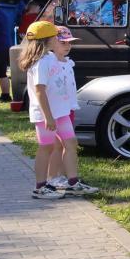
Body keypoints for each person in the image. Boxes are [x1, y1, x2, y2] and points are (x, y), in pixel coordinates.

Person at [18, 21, 98, 199]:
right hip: (46, 115)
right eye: (56, 36)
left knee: (71, 143)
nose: (58, 39)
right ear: (48, 39)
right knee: (46, 147)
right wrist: (48, 117)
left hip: (61, 112)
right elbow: (39, 91)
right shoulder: (41, 63)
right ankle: (40, 187)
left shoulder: (51, 58)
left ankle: (72, 183)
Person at [46, 26, 80, 190]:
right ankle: (53, 177)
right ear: (52, 43)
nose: (67, 46)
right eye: (63, 42)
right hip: (55, 110)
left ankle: (63, 176)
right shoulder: (49, 61)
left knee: (67, 144)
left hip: (68, 108)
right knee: (58, 145)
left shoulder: (68, 62)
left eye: (69, 42)